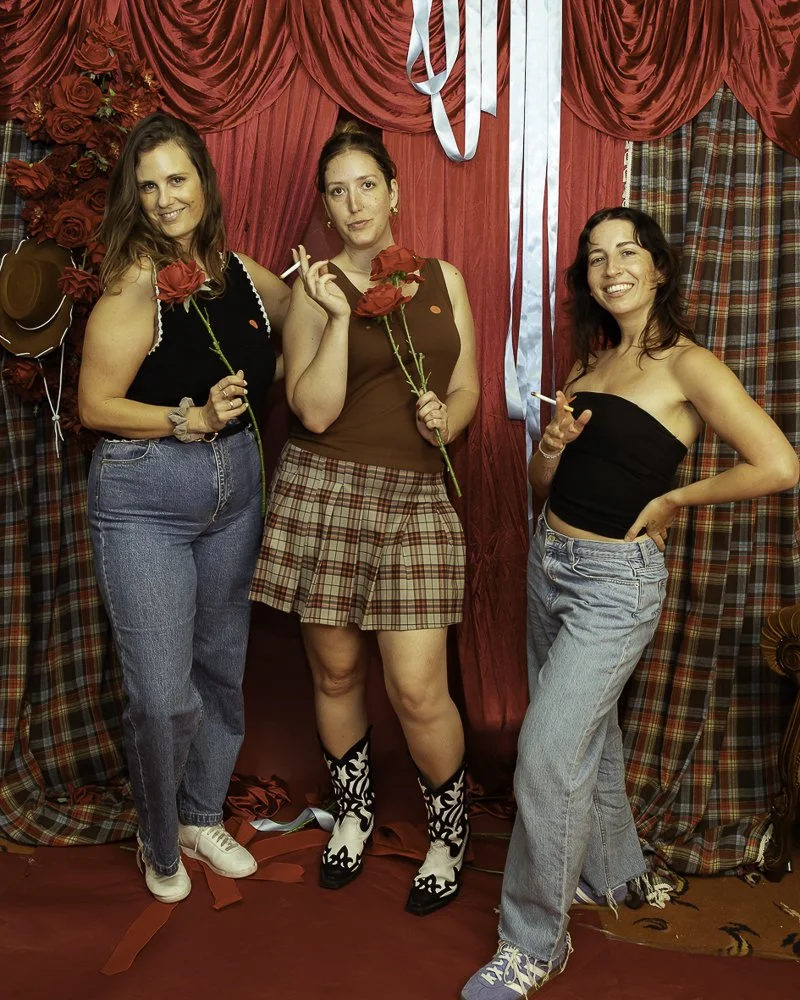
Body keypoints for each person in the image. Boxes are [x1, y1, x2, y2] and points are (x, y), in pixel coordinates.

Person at [462, 206, 799, 998]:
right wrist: (547, 453)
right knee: (593, 738)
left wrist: (679, 501)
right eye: (596, 257)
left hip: (617, 583)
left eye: (629, 252)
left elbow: (779, 464)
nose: (611, 267)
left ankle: (534, 945)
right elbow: (544, 489)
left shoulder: (689, 366)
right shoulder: (588, 368)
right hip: (551, 564)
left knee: (547, 753)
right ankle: (613, 873)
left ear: (658, 270)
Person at [249, 123, 479, 916]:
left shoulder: (446, 277)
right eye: (337, 192)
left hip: (417, 498)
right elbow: (311, 412)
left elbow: (469, 388)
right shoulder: (315, 289)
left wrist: (443, 418)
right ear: (324, 206)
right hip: (328, 489)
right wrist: (341, 316)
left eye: (366, 186)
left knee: (418, 688)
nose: (353, 204)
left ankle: (450, 831)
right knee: (338, 672)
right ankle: (353, 813)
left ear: (394, 192)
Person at [78, 113, 290, 903]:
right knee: (162, 694)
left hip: (235, 491)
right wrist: (189, 418)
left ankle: (203, 814)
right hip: (146, 498)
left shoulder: (239, 272)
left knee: (222, 670)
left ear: (204, 180)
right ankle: (159, 839)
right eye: (149, 186)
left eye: (177, 179)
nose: (166, 200)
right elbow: (95, 405)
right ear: (135, 199)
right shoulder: (137, 283)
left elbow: (293, 316)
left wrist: (339, 302)